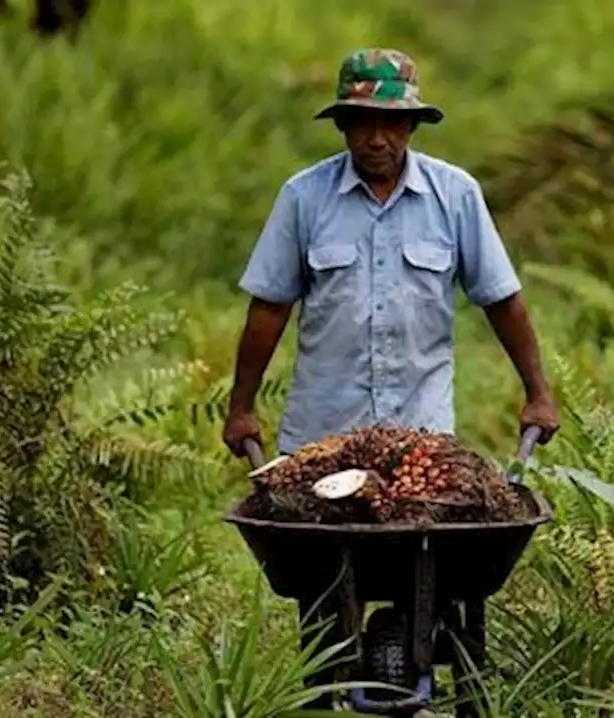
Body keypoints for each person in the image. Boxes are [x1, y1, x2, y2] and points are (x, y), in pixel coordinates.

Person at [220, 47, 559, 708]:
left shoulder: (454, 196)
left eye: (391, 123)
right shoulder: (304, 198)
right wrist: (241, 407)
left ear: (412, 126)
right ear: (342, 125)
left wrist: (539, 392)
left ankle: (419, 653)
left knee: (424, 575)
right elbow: (269, 308)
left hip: (421, 444)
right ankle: (327, 685)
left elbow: (501, 299)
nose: (377, 138)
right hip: (324, 437)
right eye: (361, 122)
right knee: (322, 594)